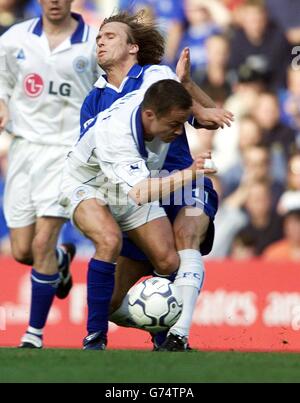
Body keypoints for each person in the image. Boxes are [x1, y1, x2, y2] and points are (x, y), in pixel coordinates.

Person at [79, 12, 233, 351]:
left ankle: (179, 336)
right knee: (110, 302)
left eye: (109, 36)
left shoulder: (156, 75)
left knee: (185, 237)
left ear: (133, 47)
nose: (100, 41)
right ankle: (160, 326)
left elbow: (205, 118)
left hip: (182, 179)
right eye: (98, 37)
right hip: (138, 197)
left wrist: (191, 90)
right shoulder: (93, 100)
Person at [62, 79, 217, 351]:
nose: (179, 131)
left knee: (168, 261)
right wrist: (191, 172)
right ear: (149, 115)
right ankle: (95, 338)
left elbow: (170, 79)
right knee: (109, 240)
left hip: (131, 185)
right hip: (88, 185)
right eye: (174, 125)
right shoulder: (117, 136)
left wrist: (191, 87)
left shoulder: (153, 89)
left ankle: (165, 336)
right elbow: (141, 194)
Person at [0, 0, 99, 348]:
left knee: (42, 241)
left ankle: (33, 334)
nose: (55, 1)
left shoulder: (92, 42)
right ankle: (60, 260)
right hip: (24, 149)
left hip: (66, 153)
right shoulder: (15, 39)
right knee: (23, 251)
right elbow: (2, 84)